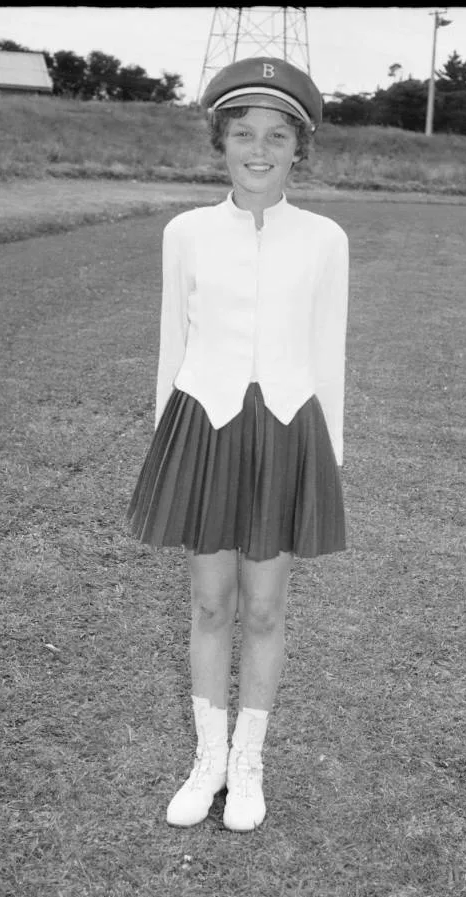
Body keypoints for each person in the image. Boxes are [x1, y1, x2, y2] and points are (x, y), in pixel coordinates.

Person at [125, 57, 349, 832]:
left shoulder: (325, 239)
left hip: (288, 429)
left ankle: (249, 763)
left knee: (263, 609)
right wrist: (166, 449)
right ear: (219, 142)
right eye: (243, 133)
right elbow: (170, 343)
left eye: (277, 135)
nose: (259, 148)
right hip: (204, 426)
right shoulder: (184, 232)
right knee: (210, 603)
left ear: (299, 148)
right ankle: (208, 758)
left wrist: (331, 458)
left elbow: (329, 353)